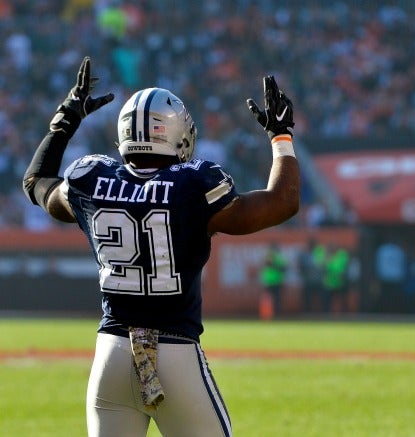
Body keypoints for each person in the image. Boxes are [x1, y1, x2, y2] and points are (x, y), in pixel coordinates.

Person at [21, 57, 299, 436]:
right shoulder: (194, 185)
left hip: (111, 354)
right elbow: (283, 201)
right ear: (179, 135)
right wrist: (280, 136)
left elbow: (36, 180)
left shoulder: (90, 179)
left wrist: (66, 118)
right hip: (174, 354)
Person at [259, 241, 288, 315]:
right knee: (269, 299)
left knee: (277, 299)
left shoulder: (278, 257)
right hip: (269, 280)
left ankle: (276, 313)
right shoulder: (268, 256)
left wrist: (276, 266)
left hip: (276, 280)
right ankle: (268, 313)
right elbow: (266, 265)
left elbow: (284, 268)